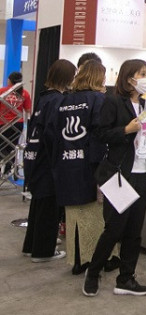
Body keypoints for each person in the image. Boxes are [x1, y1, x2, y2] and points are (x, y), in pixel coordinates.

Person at [83, 59, 146, 297]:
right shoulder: (113, 102)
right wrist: (126, 130)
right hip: (119, 174)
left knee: (134, 230)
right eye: (142, 74)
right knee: (114, 228)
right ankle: (93, 272)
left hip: (141, 173)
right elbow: (100, 133)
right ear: (129, 78)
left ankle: (126, 278)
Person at [47, 60, 110, 274]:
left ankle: (76, 259)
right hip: (88, 166)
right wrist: (101, 167)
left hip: (65, 164)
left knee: (73, 214)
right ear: (98, 77)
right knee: (92, 215)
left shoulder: (64, 100)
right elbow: (100, 135)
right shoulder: (98, 100)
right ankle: (90, 260)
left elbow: (51, 133)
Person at [22, 59, 76, 262]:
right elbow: (53, 134)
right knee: (48, 205)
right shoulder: (58, 100)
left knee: (38, 204)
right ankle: (43, 251)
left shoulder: (44, 97)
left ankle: (32, 246)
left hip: (35, 158)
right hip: (48, 161)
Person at [0, 71, 32, 155]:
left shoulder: (2, 91)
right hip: (18, 124)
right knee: (12, 147)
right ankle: (11, 162)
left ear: (9, 80)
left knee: (2, 147)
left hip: (3, 123)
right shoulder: (24, 93)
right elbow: (28, 110)